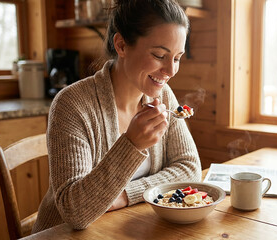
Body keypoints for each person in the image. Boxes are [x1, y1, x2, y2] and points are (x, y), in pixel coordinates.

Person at [32, 0, 201, 233]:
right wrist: (132, 144)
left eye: (177, 58)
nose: (171, 71)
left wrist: (124, 195)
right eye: (159, 55)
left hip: (127, 227)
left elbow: (189, 169)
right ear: (121, 45)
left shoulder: (163, 97)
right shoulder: (72, 105)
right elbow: (75, 213)